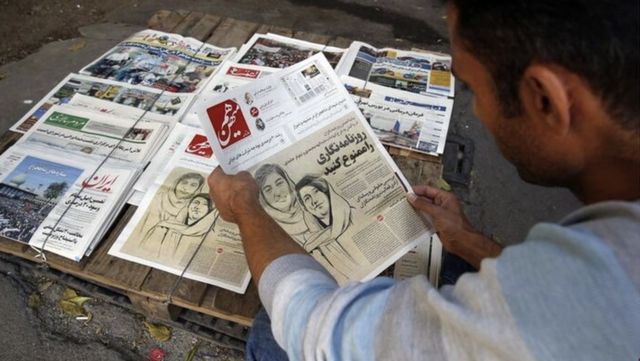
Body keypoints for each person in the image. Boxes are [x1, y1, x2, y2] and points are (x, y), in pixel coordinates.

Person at [207, 0, 639, 360]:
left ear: (544, 98)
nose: (478, 115)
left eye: (469, 87)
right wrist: (469, 241)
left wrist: (246, 209)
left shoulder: (593, 298)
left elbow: (316, 328)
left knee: (271, 335)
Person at [294, 175, 361, 280]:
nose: (314, 201)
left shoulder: (353, 215)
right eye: (307, 199)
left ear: (326, 193)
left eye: (316, 192)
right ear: (305, 208)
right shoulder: (312, 246)